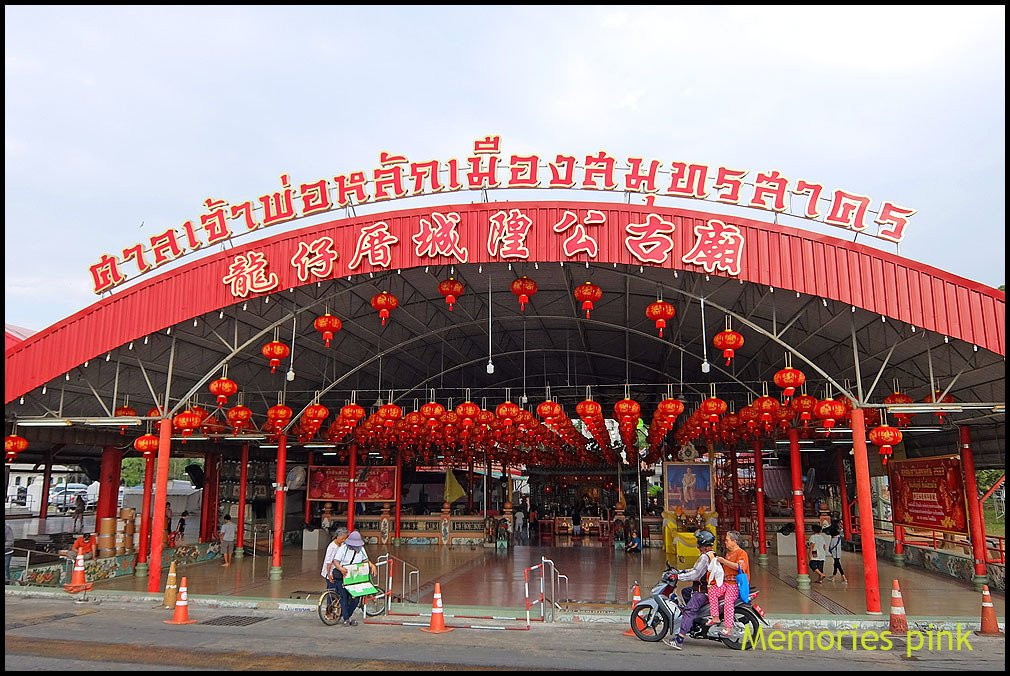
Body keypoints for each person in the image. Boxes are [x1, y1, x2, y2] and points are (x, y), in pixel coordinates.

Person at [664, 529, 717, 650]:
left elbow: (696, 575)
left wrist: (678, 576)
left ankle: (679, 639)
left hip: (703, 591)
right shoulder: (712, 554)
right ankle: (693, 622)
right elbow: (696, 570)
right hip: (707, 589)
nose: (697, 545)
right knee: (685, 592)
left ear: (702, 543)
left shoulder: (705, 557)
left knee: (689, 611)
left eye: (698, 542)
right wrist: (682, 571)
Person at [331, 530, 378, 626]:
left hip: (355, 577)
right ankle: (347, 619)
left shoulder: (361, 549)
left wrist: (372, 565)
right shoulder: (343, 549)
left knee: (355, 598)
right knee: (344, 597)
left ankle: (347, 616)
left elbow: (365, 560)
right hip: (342, 576)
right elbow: (335, 561)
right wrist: (341, 568)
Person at [709, 530, 750, 636]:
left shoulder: (741, 553)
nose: (725, 542)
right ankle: (715, 617)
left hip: (735, 584)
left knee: (728, 602)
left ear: (734, 541)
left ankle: (728, 627)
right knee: (712, 590)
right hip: (726, 583)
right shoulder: (728, 553)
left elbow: (739, 567)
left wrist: (723, 561)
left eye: (727, 540)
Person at [320, 527, 349, 621]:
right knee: (331, 594)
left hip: (337, 573)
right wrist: (329, 574)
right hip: (330, 573)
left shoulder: (342, 545)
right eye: (342, 538)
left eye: (345, 538)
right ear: (337, 537)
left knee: (337, 594)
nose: (344, 540)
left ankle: (335, 612)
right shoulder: (332, 547)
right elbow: (328, 562)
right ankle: (328, 613)